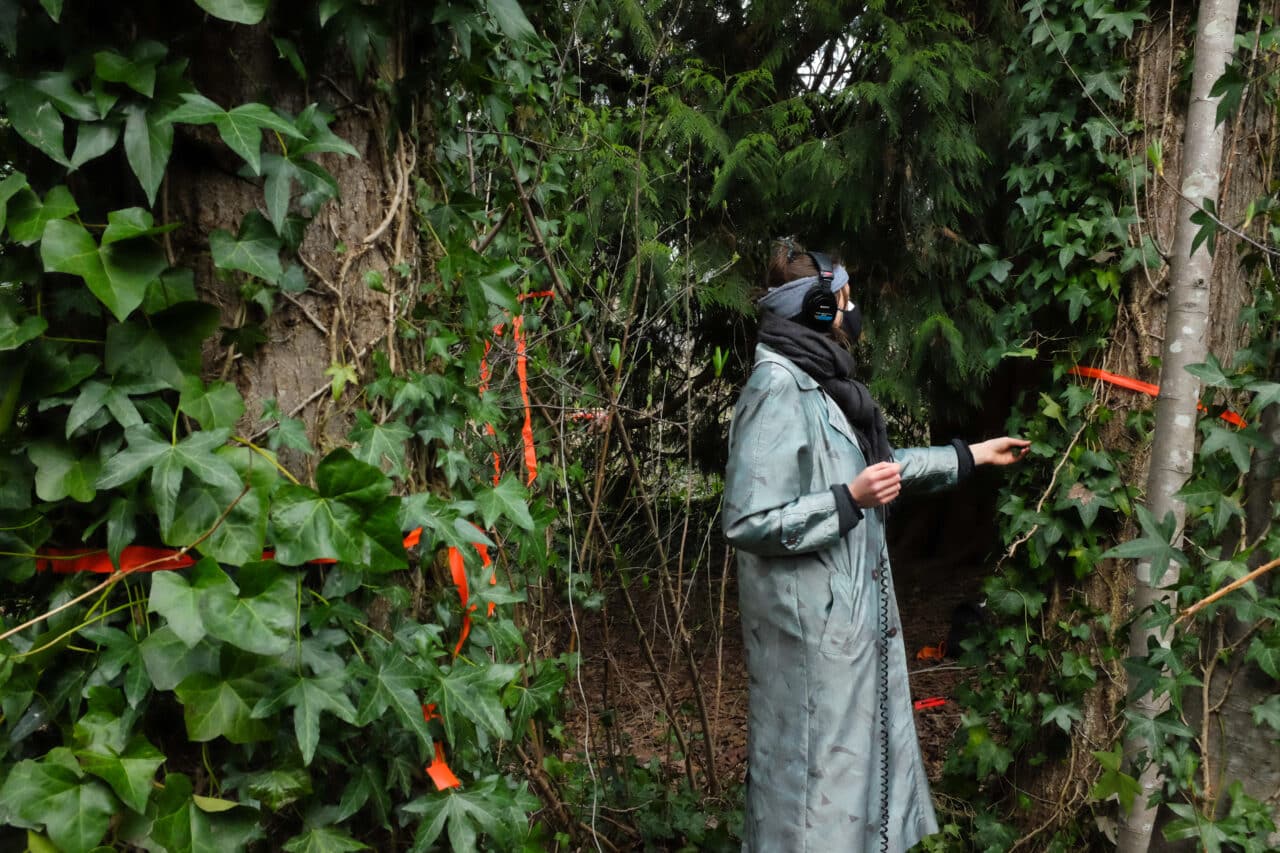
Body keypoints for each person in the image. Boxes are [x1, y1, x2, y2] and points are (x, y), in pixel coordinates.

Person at [722, 241, 1029, 853]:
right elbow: (748, 519)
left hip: (844, 633)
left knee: (854, 798)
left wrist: (969, 455)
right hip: (810, 641)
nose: (851, 309)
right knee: (815, 809)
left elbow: (877, 471)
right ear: (814, 308)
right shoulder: (777, 386)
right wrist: (846, 501)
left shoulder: (821, 382)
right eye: (842, 299)